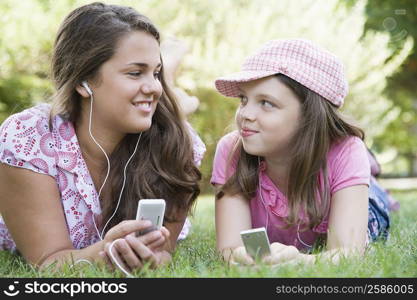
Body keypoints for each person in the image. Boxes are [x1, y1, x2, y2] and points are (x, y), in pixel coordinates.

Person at [0, 2, 205, 275]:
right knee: (169, 103)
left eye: (155, 73)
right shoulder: (30, 139)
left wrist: (154, 256)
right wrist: (107, 250)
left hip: (160, 121)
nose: (154, 87)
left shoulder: (176, 141)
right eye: (135, 72)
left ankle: (171, 79)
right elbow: (49, 262)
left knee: (172, 110)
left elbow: (164, 253)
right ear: (83, 80)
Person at [211, 39, 391, 266]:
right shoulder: (232, 150)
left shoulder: (346, 150)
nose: (245, 114)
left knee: (373, 201)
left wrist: (300, 262)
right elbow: (230, 248)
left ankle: (368, 175)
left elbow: (348, 253)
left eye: (266, 103)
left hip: (361, 199)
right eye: (244, 99)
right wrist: (240, 258)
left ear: (309, 115)